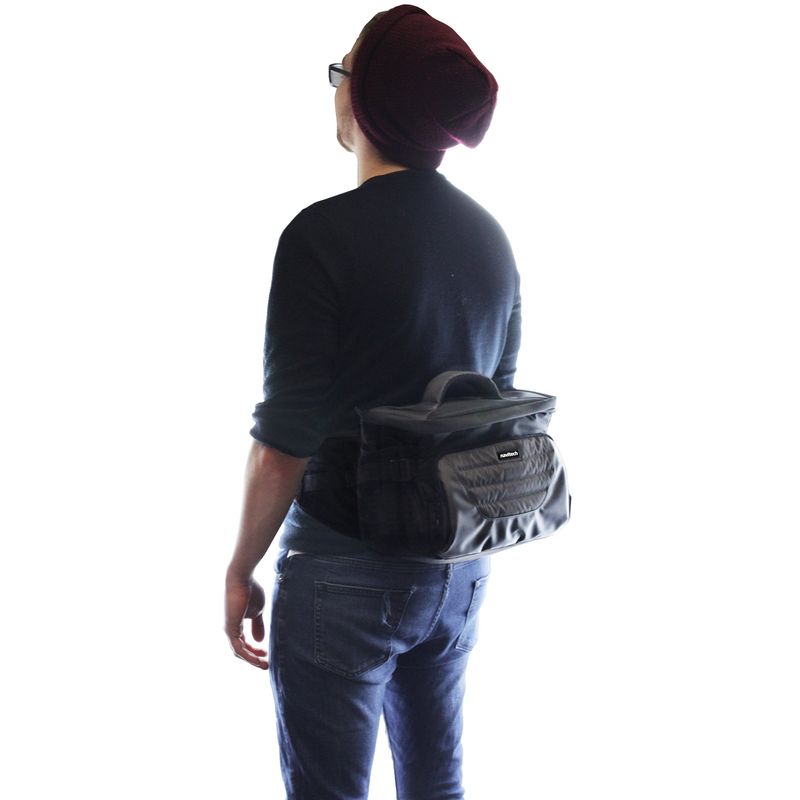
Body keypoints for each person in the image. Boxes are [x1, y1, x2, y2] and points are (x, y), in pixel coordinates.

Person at [224, 5, 521, 798]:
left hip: (342, 570)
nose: (336, 87)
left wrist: (240, 566)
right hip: (458, 571)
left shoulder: (320, 237)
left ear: (365, 99)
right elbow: (495, 408)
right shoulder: (491, 239)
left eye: (342, 71)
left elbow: (283, 442)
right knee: (436, 784)